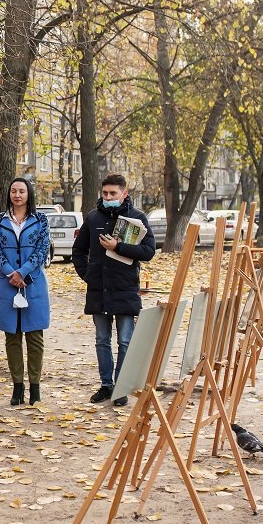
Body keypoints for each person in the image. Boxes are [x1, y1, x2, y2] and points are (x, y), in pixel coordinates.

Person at [72, 173, 156, 407]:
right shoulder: (92, 217)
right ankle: (106, 385)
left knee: (126, 341)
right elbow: (78, 251)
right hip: (98, 290)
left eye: (113, 194)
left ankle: (122, 387)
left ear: (124, 194)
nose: (108, 197)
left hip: (125, 289)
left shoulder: (137, 218)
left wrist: (118, 247)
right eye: (105, 193)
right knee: (102, 340)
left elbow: (149, 252)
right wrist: (87, 275)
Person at [0, 178, 52, 407]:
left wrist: (24, 272)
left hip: (32, 282)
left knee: (35, 337)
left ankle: (35, 387)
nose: (17, 195)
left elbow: (42, 249)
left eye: (22, 191)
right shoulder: (0, 220)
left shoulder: (40, 219)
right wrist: (10, 273)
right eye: (13, 191)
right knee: (12, 336)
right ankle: (17, 386)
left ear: (29, 194)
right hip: (7, 283)